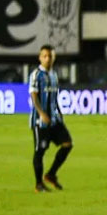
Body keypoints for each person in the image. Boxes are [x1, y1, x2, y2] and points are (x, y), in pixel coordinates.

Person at [29, 45, 73, 192]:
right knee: (40, 151)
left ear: (53, 58)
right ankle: (38, 184)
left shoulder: (54, 75)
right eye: (45, 56)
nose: (48, 59)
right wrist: (41, 113)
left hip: (54, 119)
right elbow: (34, 96)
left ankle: (51, 174)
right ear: (40, 58)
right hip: (40, 121)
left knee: (67, 144)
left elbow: (54, 97)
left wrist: (59, 112)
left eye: (50, 56)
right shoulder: (36, 75)